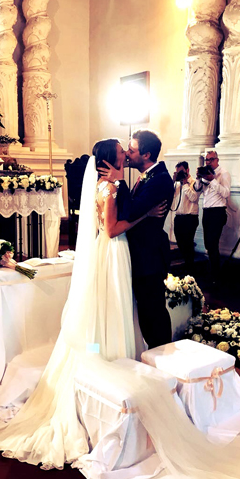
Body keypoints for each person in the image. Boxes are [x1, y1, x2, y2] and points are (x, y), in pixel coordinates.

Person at [0, 139, 165, 469]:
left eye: (128, 149)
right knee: (111, 305)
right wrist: (145, 214)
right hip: (113, 251)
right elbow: (110, 229)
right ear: (113, 159)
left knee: (115, 306)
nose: (126, 152)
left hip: (118, 255)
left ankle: (112, 352)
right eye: (122, 150)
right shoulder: (109, 188)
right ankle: (104, 354)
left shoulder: (115, 184)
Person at [98, 129, 174, 349]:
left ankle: (163, 354)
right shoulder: (146, 176)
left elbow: (131, 212)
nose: (128, 154)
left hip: (149, 256)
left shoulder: (160, 180)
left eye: (132, 150)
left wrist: (120, 182)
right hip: (139, 253)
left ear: (147, 155)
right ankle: (153, 353)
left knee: (154, 311)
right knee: (145, 309)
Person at [193, 150, 231, 284]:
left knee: (213, 244)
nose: (208, 162)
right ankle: (213, 274)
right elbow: (197, 189)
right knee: (208, 244)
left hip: (218, 212)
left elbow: (226, 193)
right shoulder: (205, 173)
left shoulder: (224, 173)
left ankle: (216, 277)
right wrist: (199, 177)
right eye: (206, 159)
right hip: (207, 211)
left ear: (217, 160)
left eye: (210, 159)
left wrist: (213, 181)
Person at [171, 161, 201, 275]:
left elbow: (194, 197)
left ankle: (190, 269)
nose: (180, 174)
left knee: (188, 243)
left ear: (187, 170)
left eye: (181, 172)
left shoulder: (194, 183)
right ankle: (186, 265)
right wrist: (173, 181)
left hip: (190, 218)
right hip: (178, 217)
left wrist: (185, 184)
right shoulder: (177, 184)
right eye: (178, 172)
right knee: (180, 242)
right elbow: (169, 195)